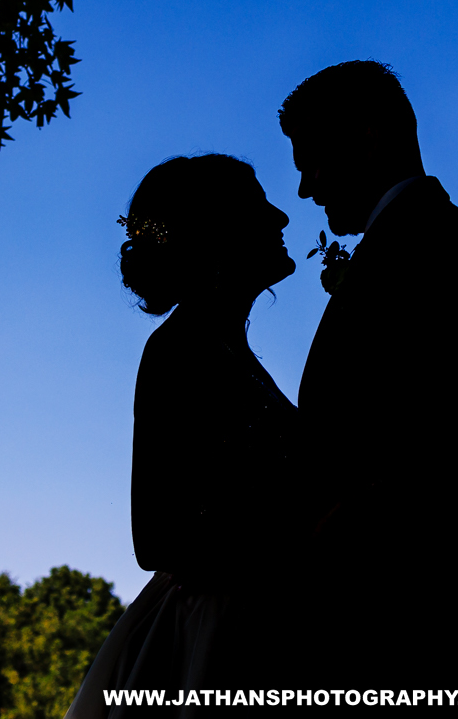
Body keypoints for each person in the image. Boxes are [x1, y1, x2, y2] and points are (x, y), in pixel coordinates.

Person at [282, 62, 458, 700]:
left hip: (415, 625)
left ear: (368, 136)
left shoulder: (431, 241)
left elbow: (430, 438)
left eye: (311, 158)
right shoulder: (412, 239)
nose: (305, 185)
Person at [68, 154, 302, 719]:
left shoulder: (231, 353)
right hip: (219, 642)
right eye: (257, 204)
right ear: (217, 234)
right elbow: (155, 537)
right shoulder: (178, 351)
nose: (281, 218)